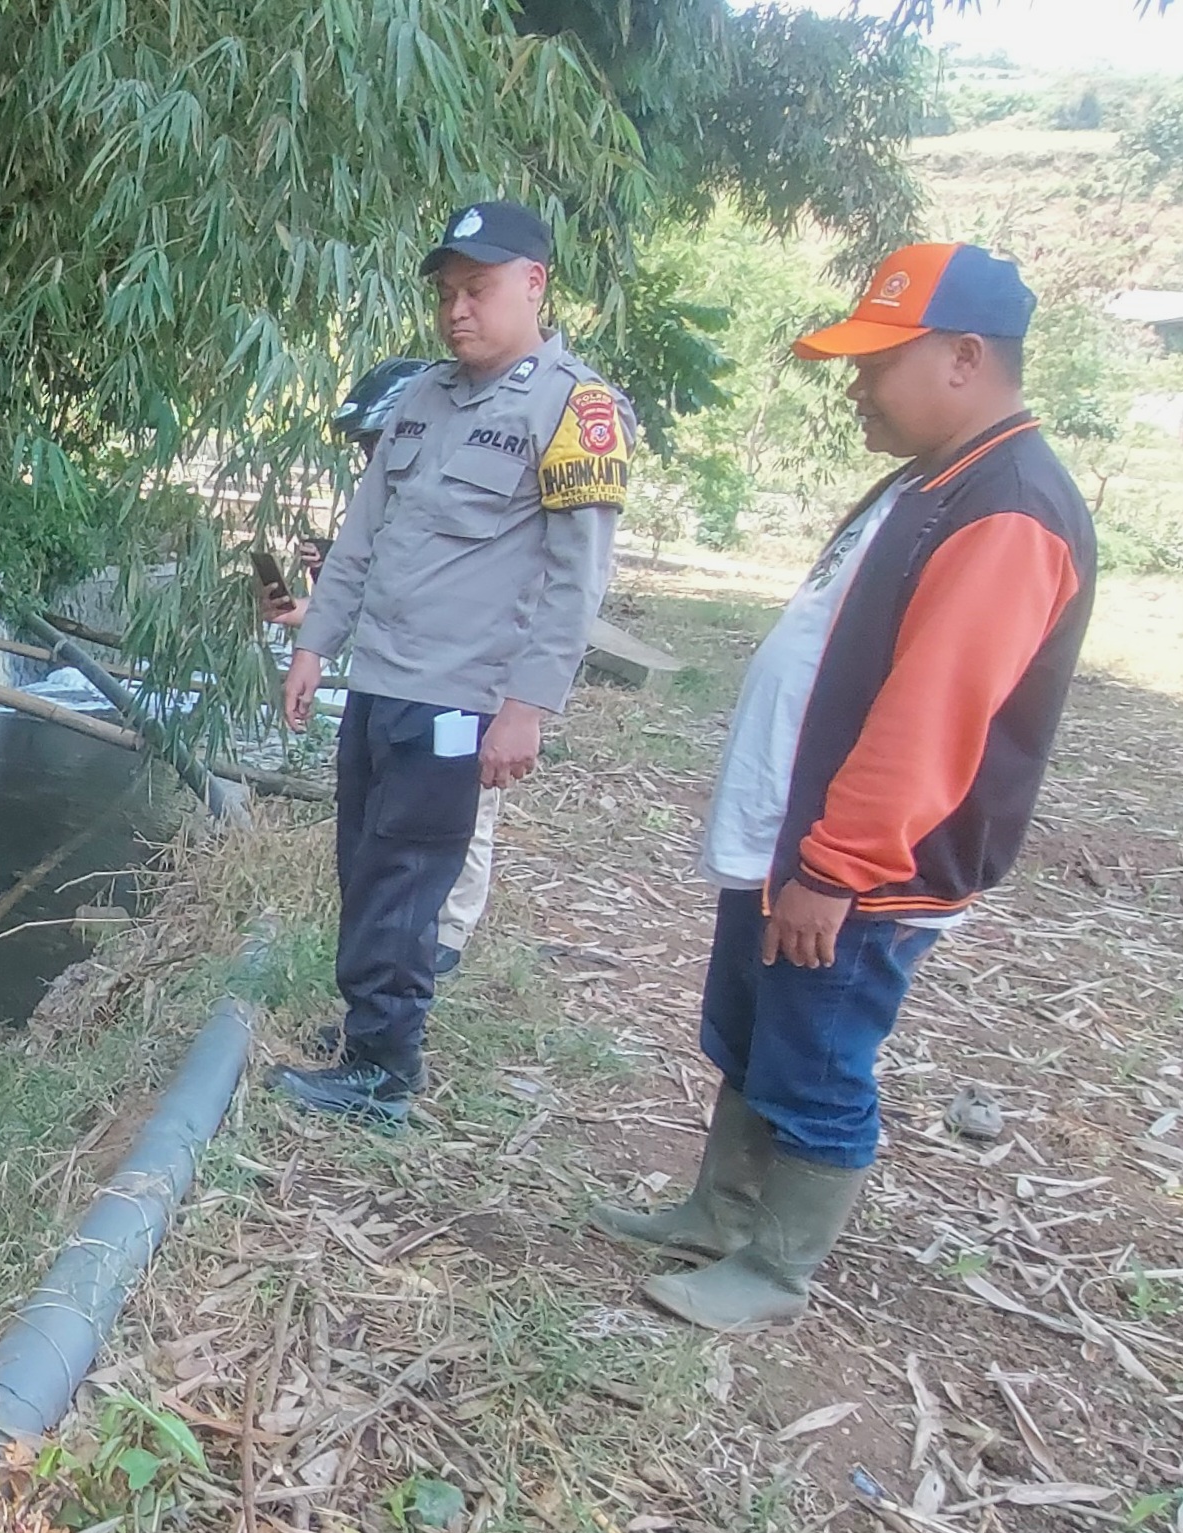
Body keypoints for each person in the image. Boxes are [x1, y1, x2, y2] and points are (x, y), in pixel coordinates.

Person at [593, 243, 1092, 1332]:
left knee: (817, 1056)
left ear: (964, 357)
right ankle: (716, 1212)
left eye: (877, 361)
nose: (854, 385)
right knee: (751, 1029)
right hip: (791, 837)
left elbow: (930, 709)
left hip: (851, 868)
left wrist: (835, 866)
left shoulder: (1007, 505)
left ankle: (773, 1269)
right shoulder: (933, 480)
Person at [271, 202, 630, 1122]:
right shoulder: (424, 398)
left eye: (476, 290)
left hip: (459, 698)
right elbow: (358, 541)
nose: (455, 311)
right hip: (380, 681)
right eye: (445, 294)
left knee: (405, 879)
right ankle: (366, 1032)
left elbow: (571, 581)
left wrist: (527, 707)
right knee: (363, 864)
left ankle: (383, 1076)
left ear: (533, 284)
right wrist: (315, 645)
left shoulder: (574, 408)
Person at [271, 355, 501, 981]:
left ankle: (448, 932)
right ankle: (395, 944)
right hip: (393, 683)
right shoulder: (395, 491)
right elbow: (379, 579)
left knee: (462, 813)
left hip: (461, 681)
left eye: (377, 440)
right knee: (392, 823)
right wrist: (317, 617)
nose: (374, 454)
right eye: (371, 445)